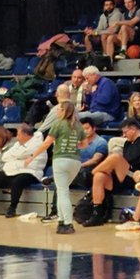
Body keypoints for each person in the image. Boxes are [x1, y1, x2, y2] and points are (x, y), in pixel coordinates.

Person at [87, 118, 140, 225]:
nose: (124, 135)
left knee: (115, 157)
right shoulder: (128, 143)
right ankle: (97, 214)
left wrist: (117, 163)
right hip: (124, 175)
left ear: (133, 129)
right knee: (99, 176)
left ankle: (90, 173)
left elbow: (132, 159)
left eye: (125, 132)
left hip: (138, 176)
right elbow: (127, 158)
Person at [0, 123, 47, 217]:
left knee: (17, 181)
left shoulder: (38, 144)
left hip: (31, 172)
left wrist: (16, 157)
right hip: (14, 170)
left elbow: (22, 153)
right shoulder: (18, 144)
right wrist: (19, 158)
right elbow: (5, 157)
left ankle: (12, 208)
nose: (17, 137)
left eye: (18, 134)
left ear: (25, 135)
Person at [41, 90, 82, 234]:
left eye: (59, 109)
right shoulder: (78, 125)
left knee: (63, 192)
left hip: (60, 160)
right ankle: (61, 220)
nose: (57, 112)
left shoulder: (58, 125)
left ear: (65, 111)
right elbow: (83, 145)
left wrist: (31, 156)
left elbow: (46, 143)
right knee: (61, 189)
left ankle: (68, 223)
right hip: (75, 161)